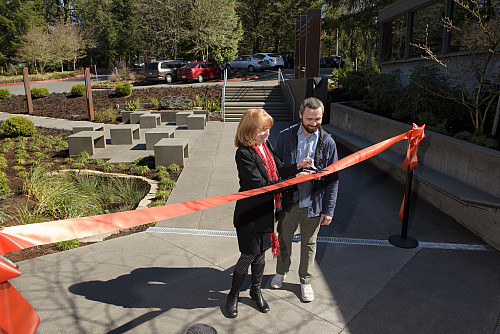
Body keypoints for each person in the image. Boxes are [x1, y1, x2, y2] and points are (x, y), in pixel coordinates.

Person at [226, 108, 313, 318]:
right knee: (248, 255)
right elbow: (261, 184)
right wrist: (293, 183)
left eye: (268, 129)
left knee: (261, 255)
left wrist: (297, 167)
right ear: (248, 130)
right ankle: (234, 294)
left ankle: (256, 291)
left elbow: (280, 168)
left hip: (266, 213)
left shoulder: (265, 146)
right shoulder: (244, 154)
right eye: (262, 130)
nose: (267, 134)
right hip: (250, 215)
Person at [270, 97, 339, 302]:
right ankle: (281, 271)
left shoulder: (328, 142)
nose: (313, 123)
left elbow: (334, 179)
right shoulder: (285, 137)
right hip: (290, 201)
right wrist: (294, 176)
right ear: (300, 115)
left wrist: (329, 209)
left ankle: (305, 281)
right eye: (309, 118)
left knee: (309, 244)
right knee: (284, 239)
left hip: (314, 203)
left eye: (317, 119)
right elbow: (277, 171)